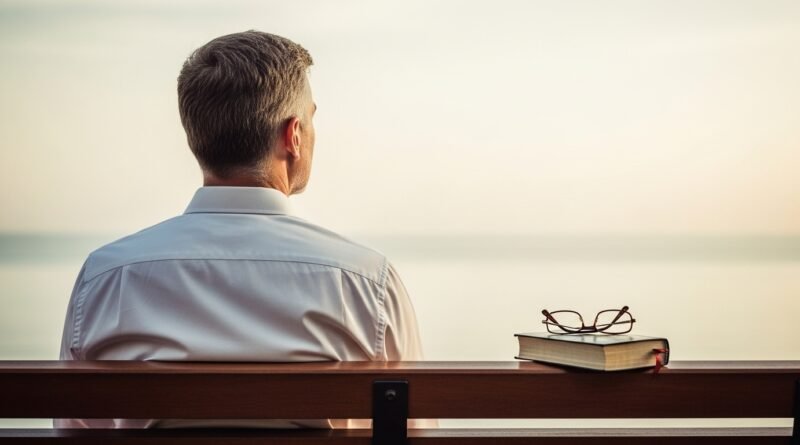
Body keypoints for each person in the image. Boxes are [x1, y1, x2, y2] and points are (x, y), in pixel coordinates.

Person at [56, 30, 425, 429]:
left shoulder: (107, 276)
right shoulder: (366, 281)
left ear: (195, 135)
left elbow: (75, 431)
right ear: (294, 136)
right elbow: (414, 430)